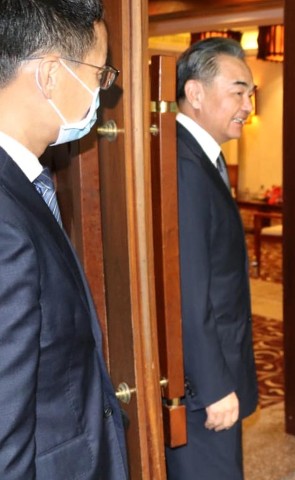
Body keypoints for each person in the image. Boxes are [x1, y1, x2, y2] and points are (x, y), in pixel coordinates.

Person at [0, 0, 128, 479]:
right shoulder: (6, 221)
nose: (102, 92)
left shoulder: (23, 180)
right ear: (51, 73)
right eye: (100, 72)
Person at [165, 37, 259, 479]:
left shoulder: (200, 157)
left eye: (250, 94)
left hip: (217, 368)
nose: (247, 105)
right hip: (204, 387)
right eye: (238, 91)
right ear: (195, 93)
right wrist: (215, 386)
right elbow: (187, 287)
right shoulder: (184, 165)